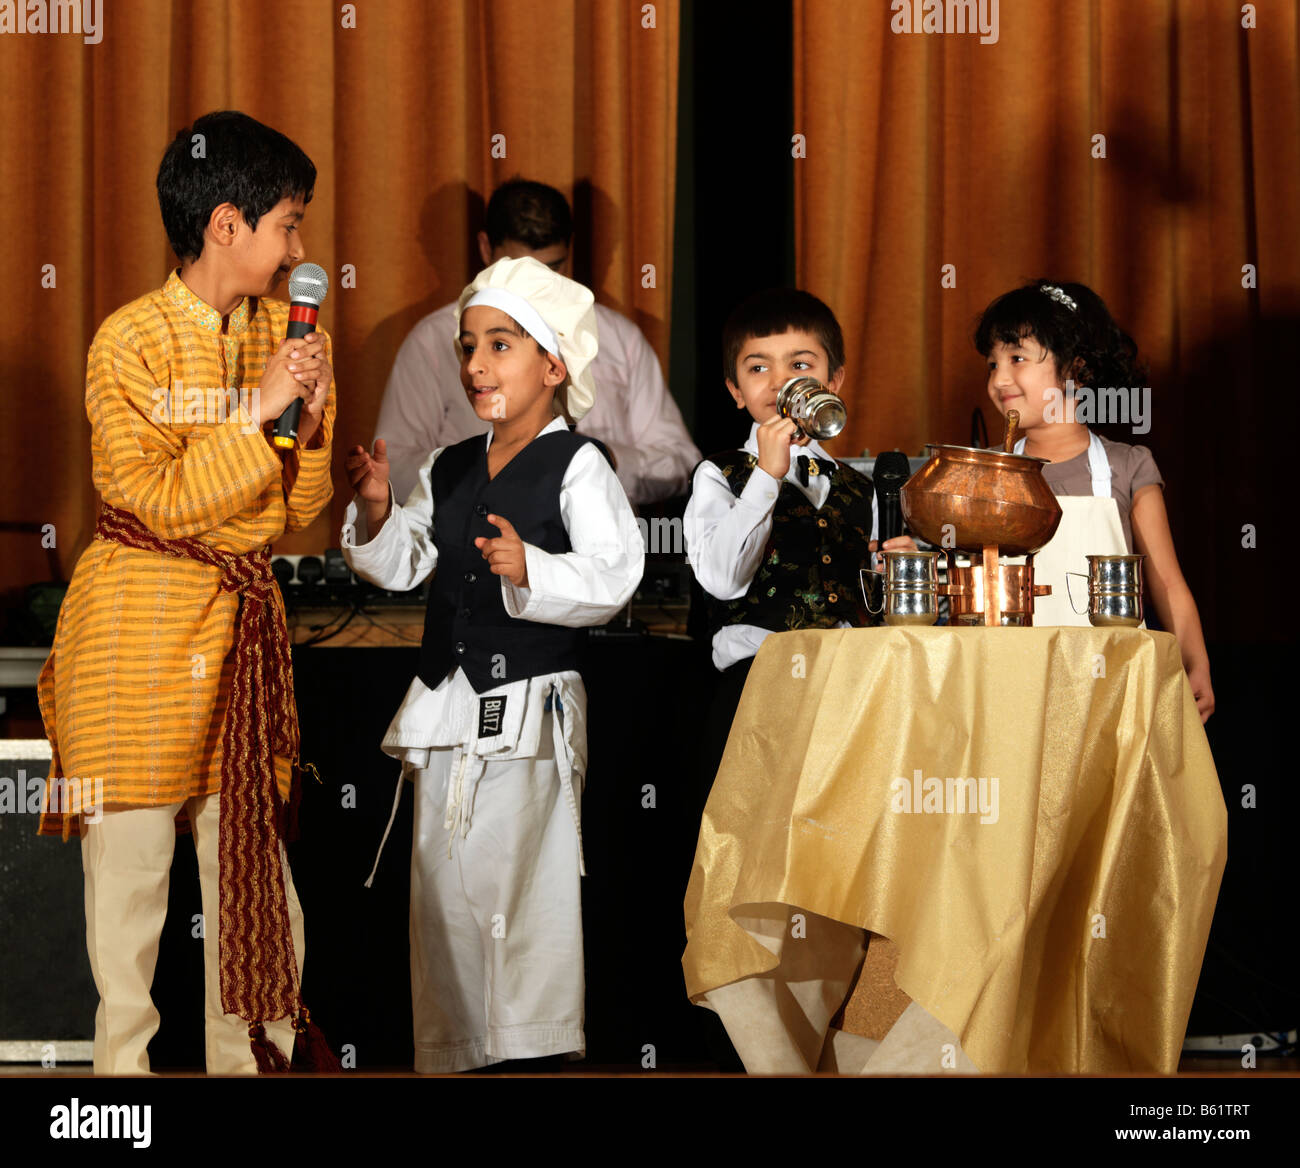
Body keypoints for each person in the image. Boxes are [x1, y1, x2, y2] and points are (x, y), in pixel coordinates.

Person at [36, 110, 336, 1073]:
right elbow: (158, 500)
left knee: (256, 881)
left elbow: (295, 510)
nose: (299, 247)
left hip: (239, 627)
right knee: (128, 899)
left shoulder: (285, 338)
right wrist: (260, 414)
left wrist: (315, 421)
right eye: (288, 223)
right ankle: (120, 1093)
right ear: (226, 225)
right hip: (133, 631)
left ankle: (253, 1066)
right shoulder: (126, 342)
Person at [342, 256, 644, 1073]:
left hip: (529, 708)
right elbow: (404, 562)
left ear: (553, 365)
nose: (476, 364)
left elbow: (616, 575)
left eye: (500, 345)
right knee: (442, 895)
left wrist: (532, 571)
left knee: (520, 891)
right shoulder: (448, 465)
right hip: (448, 707)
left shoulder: (578, 463)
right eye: (469, 346)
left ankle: (529, 1054)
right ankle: (455, 1051)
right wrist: (376, 508)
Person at [375, 178, 700, 505]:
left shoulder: (621, 339)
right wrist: (489, 468)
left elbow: (682, 463)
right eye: (521, 272)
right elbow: (393, 466)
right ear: (487, 249)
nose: (539, 288)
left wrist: (601, 458)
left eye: (552, 269)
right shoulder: (432, 342)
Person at [975, 280, 1214, 721]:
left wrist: (1195, 662)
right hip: (1011, 690)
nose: (999, 379)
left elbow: (1166, 581)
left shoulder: (1127, 467)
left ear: (1076, 371)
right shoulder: (985, 474)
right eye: (992, 364)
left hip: (1114, 692)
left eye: (1017, 358)